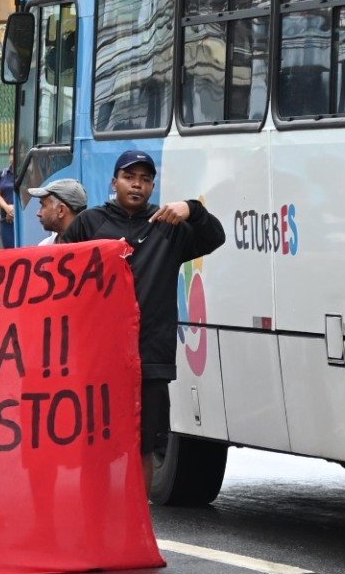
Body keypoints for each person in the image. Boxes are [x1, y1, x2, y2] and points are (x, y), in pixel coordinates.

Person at [60, 151, 225, 495]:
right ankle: (98, 515)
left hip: (150, 355)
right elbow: (58, 273)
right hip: (98, 356)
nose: (137, 185)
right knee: (98, 441)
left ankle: (140, 525)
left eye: (146, 179)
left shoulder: (168, 226)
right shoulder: (90, 223)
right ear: (114, 182)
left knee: (144, 445)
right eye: (129, 177)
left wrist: (192, 209)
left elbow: (215, 237)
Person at [30, 177, 87, 245]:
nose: (38, 213)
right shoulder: (44, 247)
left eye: (43, 205)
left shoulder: (93, 246)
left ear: (61, 210)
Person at [0, 147, 17, 249]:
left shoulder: (28, 172)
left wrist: (15, 209)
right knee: (8, 249)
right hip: (6, 220)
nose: (13, 157)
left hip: (21, 217)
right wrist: (7, 208)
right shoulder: (3, 174)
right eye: (11, 154)